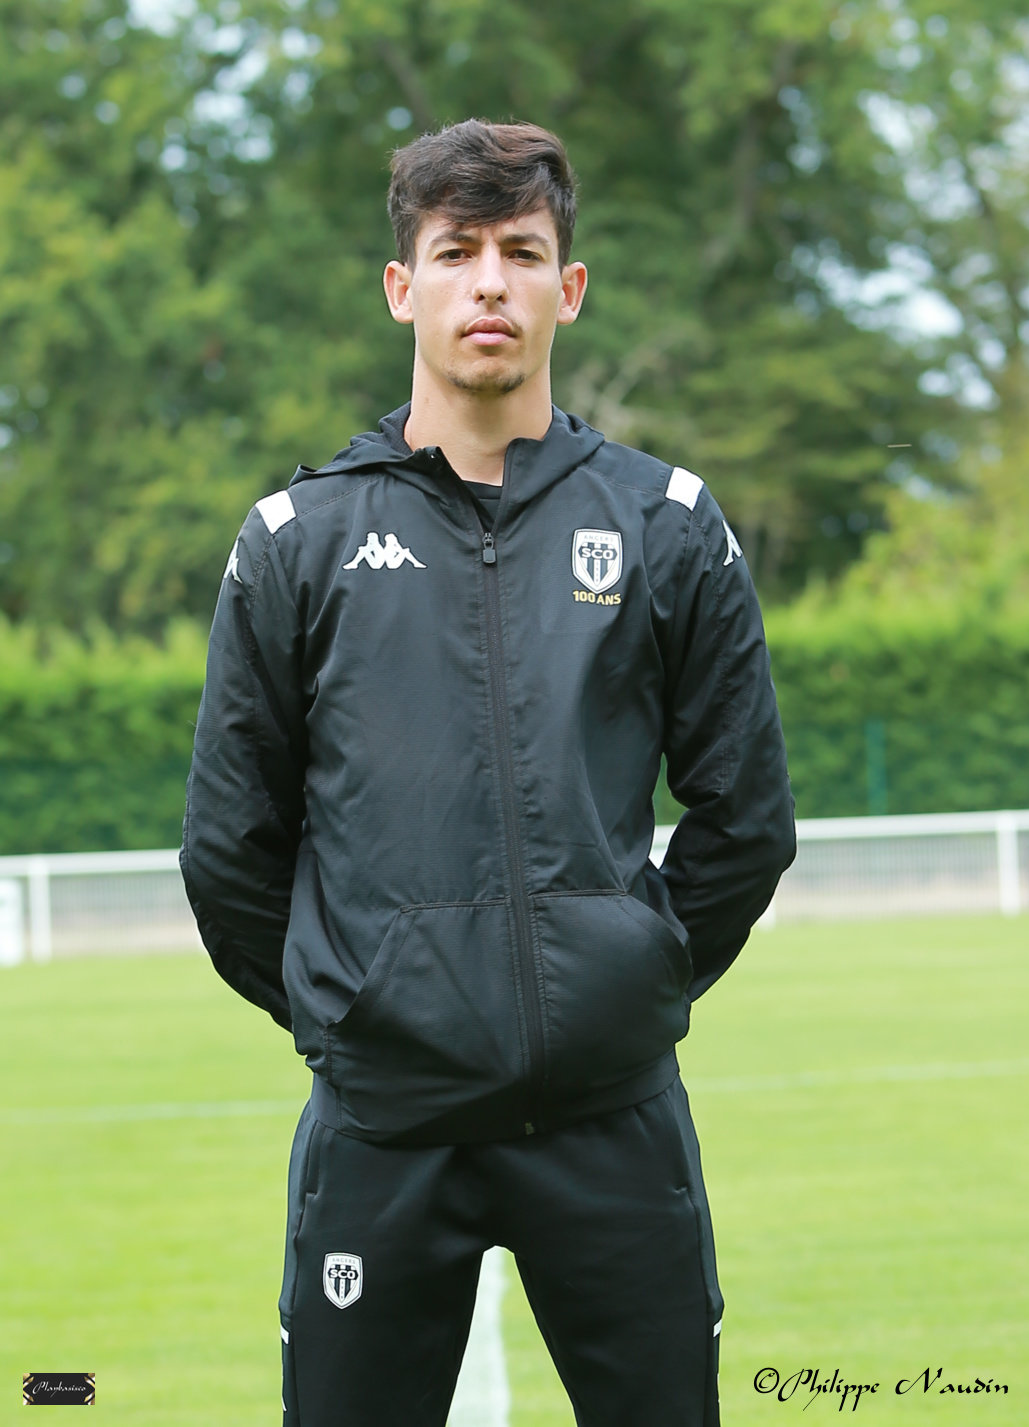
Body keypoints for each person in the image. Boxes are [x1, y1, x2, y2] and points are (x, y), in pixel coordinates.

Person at [180, 118, 795, 1427]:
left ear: (569, 288)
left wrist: (622, 978)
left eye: (521, 252)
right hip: (383, 1129)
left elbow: (747, 819)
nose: (489, 284)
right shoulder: (295, 541)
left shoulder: (667, 523)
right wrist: (360, 1013)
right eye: (455, 251)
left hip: (612, 1118)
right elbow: (229, 849)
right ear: (401, 286)